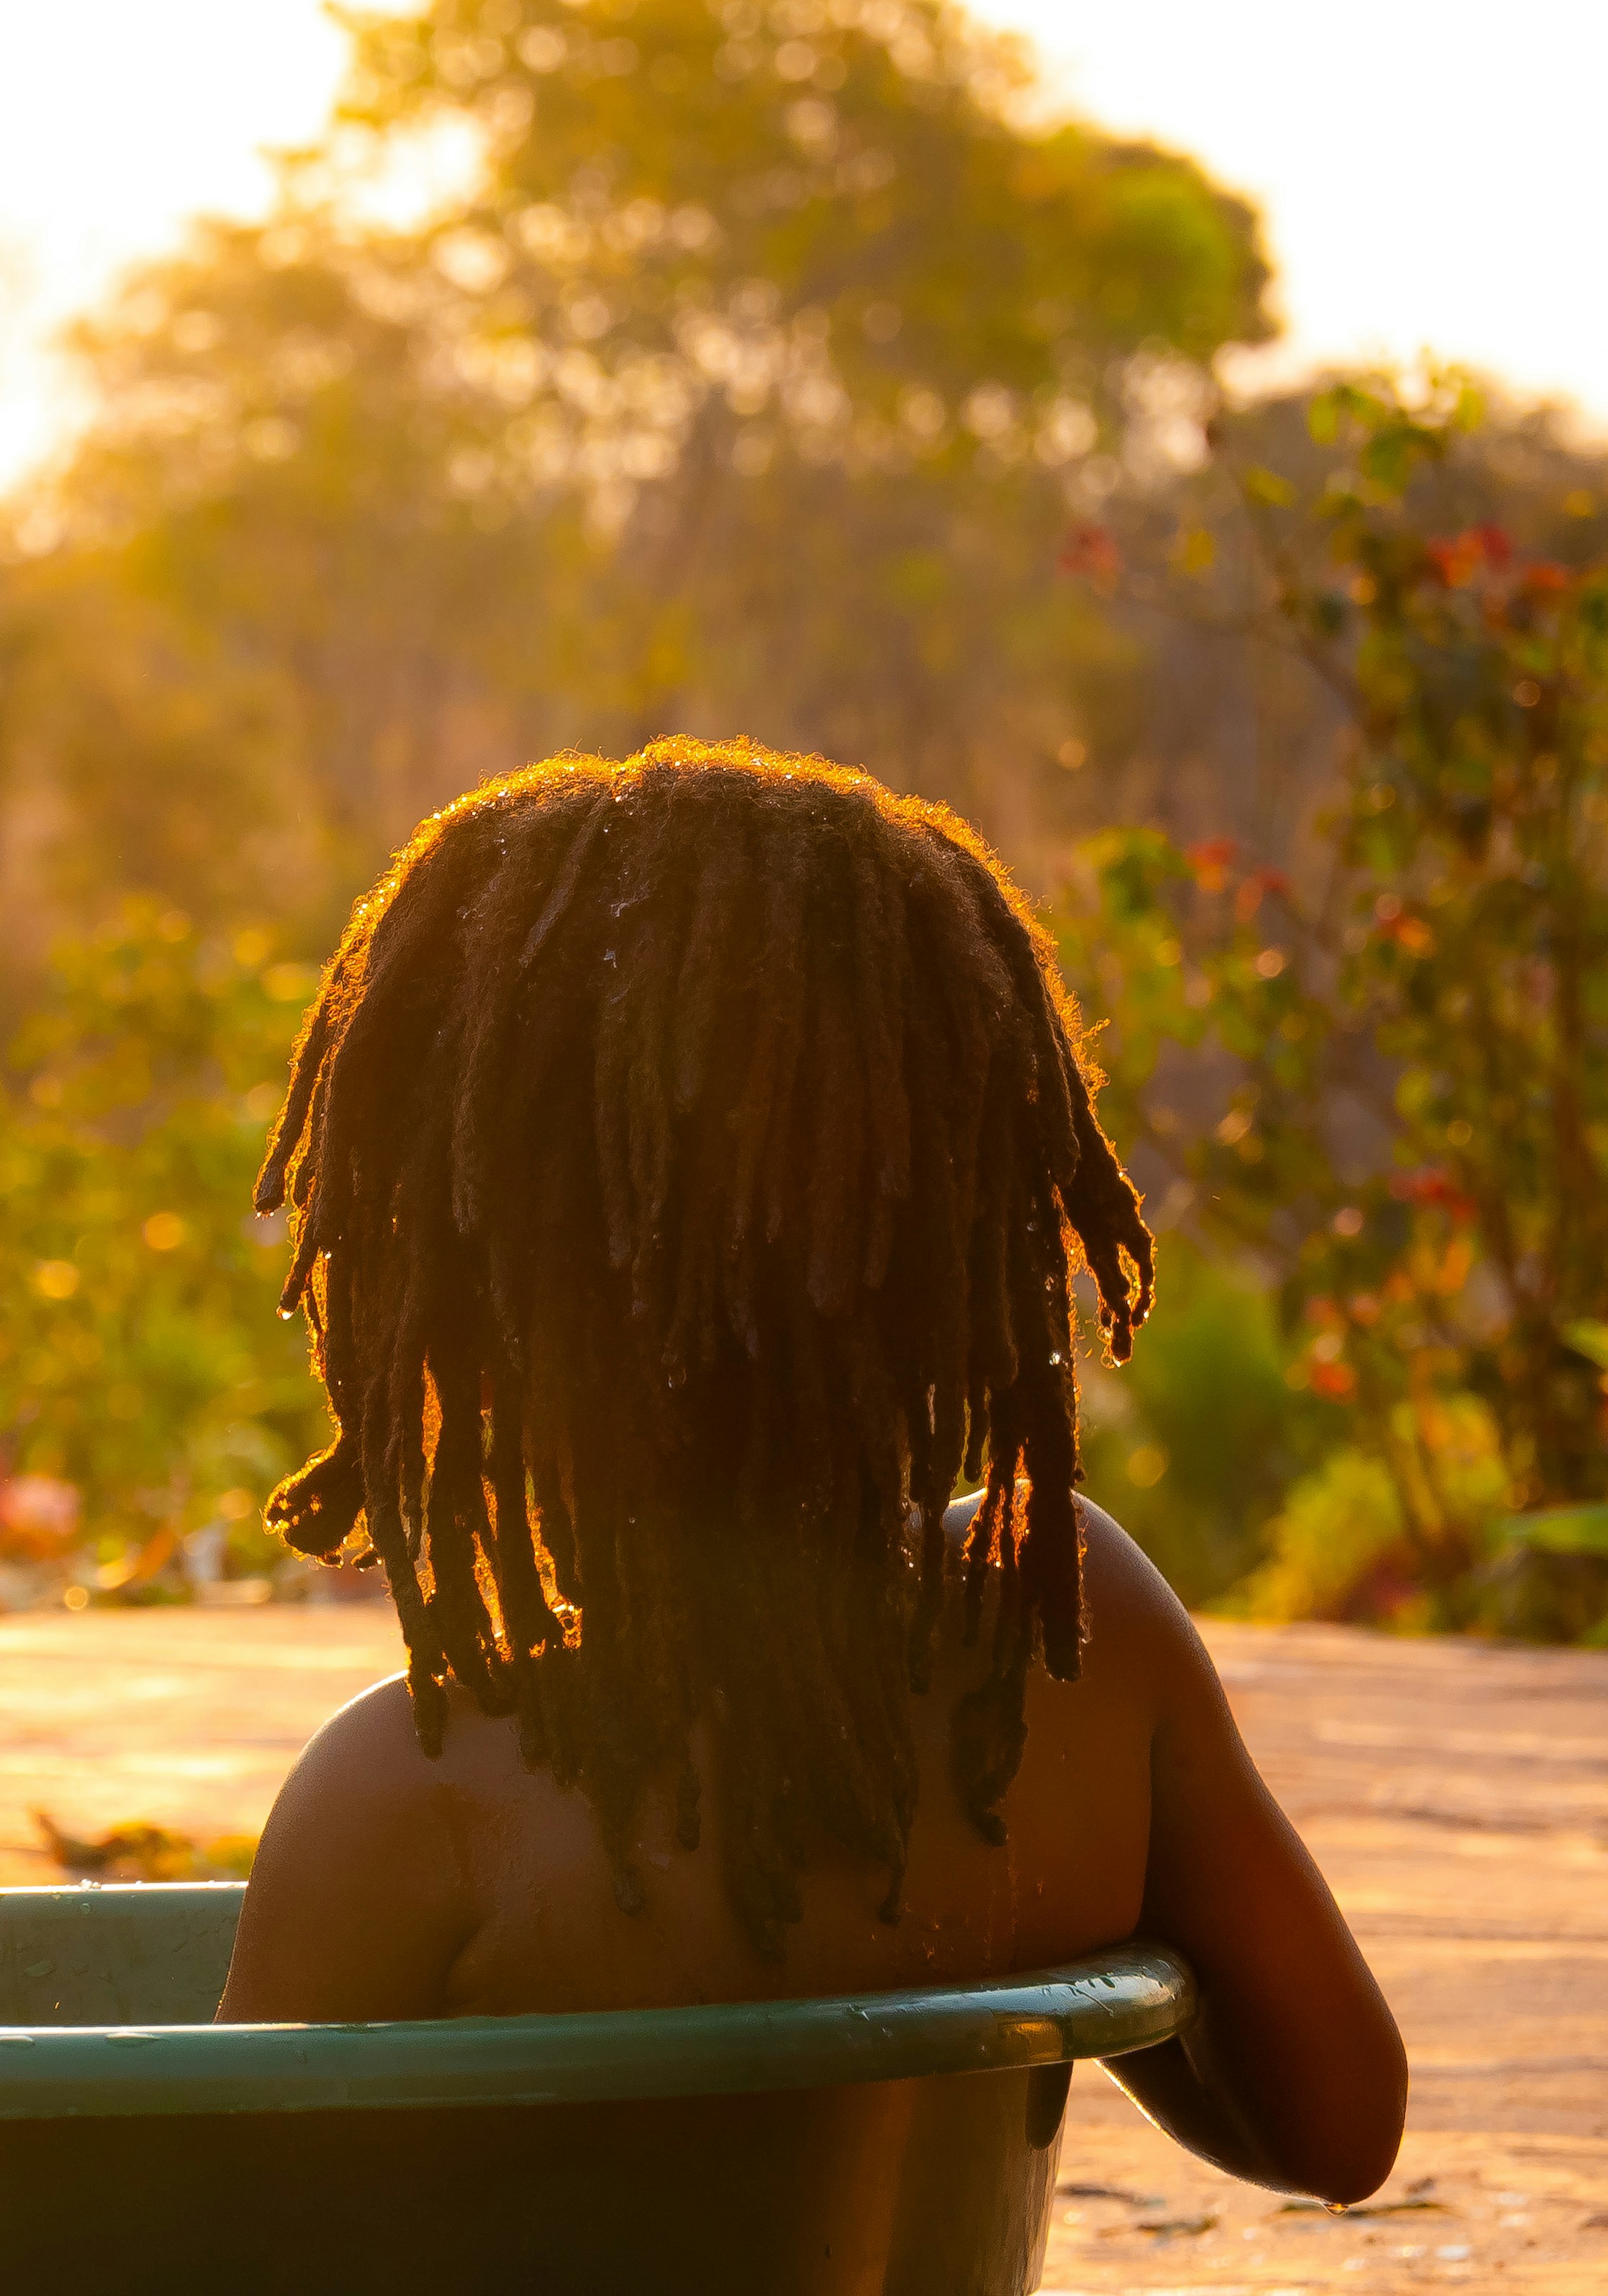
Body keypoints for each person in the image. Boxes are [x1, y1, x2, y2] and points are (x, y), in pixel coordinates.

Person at [216, 740, 1406, 2205]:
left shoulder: (411, 1801)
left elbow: (232, 2235)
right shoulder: (1077, 1648)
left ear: (459, 1290)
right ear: (960, 1237)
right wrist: (1049, 1933)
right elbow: (1340, 2131)